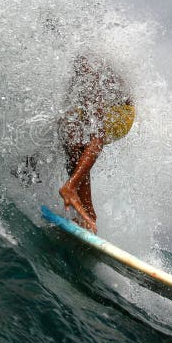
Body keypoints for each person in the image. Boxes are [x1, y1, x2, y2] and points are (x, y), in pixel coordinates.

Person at [58, 55, 134, 233]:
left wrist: (72, 184)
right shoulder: (64, 66)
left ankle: (87, 213)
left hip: (121, 115)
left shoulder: (88, 68)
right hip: (99, 110)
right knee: (68, 133)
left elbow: (97, 137)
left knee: (79, 138)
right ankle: (85, 214)